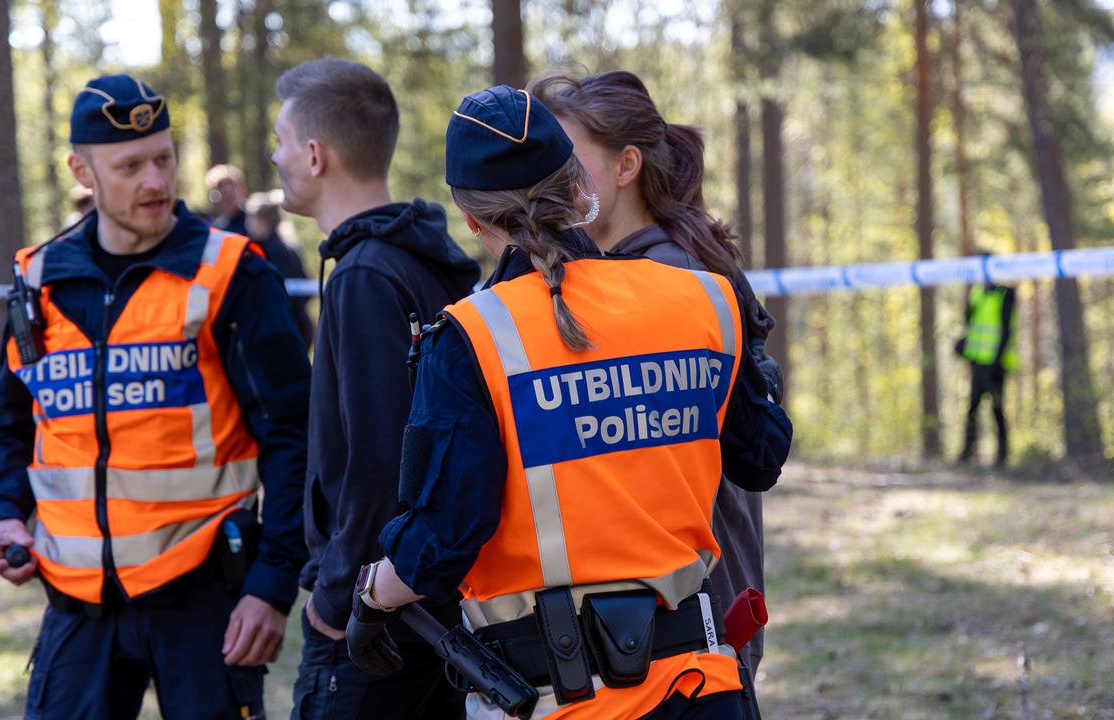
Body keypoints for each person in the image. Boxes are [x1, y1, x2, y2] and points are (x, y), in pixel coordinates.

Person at [344, 86, 792, 720]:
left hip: (562, 697)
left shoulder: (472, 336)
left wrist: (372, 596)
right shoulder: (705, 298)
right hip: (700, 689)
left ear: (471, 218)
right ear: (577, 185)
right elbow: (762, 458)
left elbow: (443, 541)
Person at [0, 74, 311, 720]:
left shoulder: (233, 272)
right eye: (129, 166)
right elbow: (8, 426)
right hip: (76, 603)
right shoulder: (37, 282)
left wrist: (271, 586)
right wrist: (2, 514)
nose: (155, 181)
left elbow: (294, 435)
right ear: (82, 170)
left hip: (206, 599)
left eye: (163, 158)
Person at [530, 70, 783, 673]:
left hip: (694, 621)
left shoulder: (669, 279)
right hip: (676, 620)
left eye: (568, 165)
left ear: (626, 166)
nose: (551, 187)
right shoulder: (634, 268)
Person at [271, 58, 481, 719]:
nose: (273, 158)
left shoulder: (365, 278)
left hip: (375, 617)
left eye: (279, 141)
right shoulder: (420, 263)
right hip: (425, 602)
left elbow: (375, 464)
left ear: (313, 154)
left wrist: (338, 603)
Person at [956, 266, 1016, 467]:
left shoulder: (1005, 295)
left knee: (997, 409)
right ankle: (967, 453)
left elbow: (1006, 331)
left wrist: (996, 363)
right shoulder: (977, 293)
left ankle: (1002, 457)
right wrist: (963, 345)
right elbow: (971, 325)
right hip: (978, 364)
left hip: (996, 366)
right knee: (972, 408)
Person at [243, 190, 315, 348]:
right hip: (294, 327)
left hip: (288, 329)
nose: (247, 224)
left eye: (251, 219)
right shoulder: (283, 247)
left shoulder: (275, 251)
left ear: (265, 220)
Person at [207, 164, 250, 236]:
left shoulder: (253, 220)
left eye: (231, 194)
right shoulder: (218, 228)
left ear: (242, 190)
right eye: (223, 194)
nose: (227, 198)